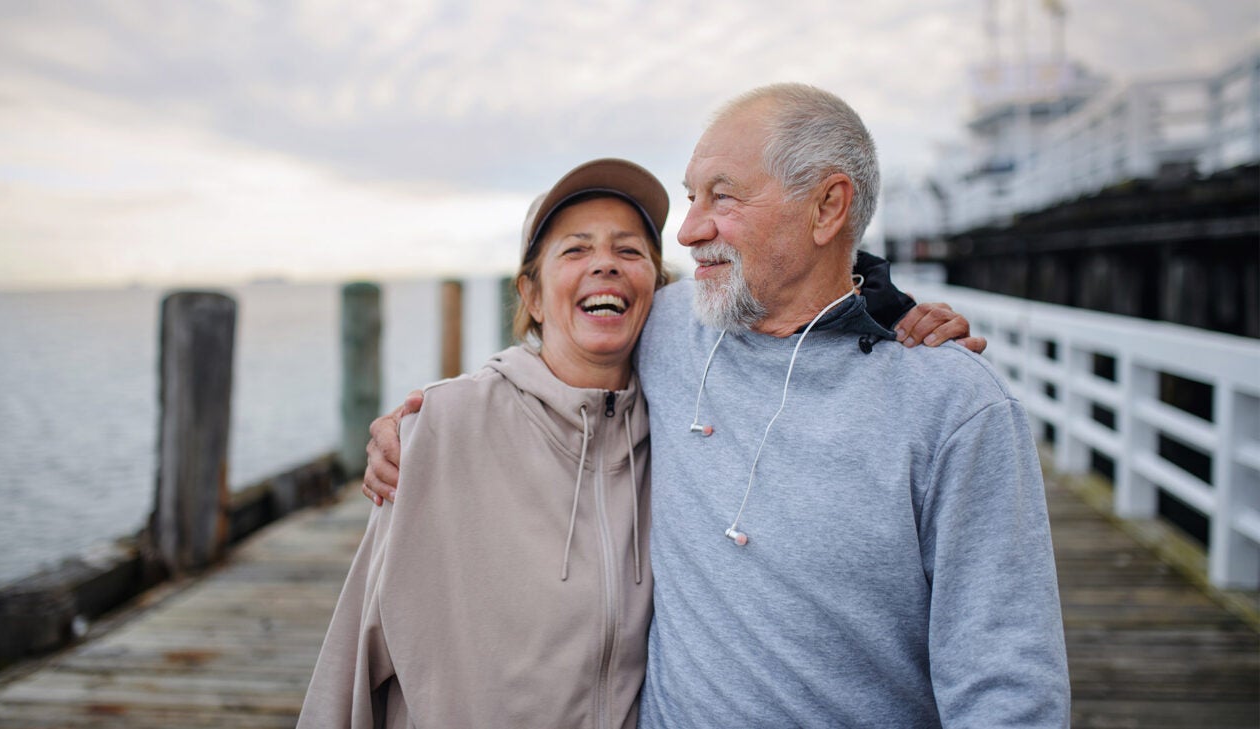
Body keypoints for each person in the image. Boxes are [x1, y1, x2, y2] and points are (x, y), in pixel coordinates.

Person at [363, 83, 1069, 727]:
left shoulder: (951, 405)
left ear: (828, 207)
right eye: (691, 196)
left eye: (721, 198)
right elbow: (563, 351)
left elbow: (1008, 689)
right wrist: (431, 419)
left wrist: (895, 313)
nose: (689, 229)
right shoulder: (670, 326)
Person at [298, 158, 667, 727]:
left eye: (629, 250)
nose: (605, 265)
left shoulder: (681, 434)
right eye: (575, 250)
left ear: (658, 290)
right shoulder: (439, 427)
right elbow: (352, 655)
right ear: (533, 297)